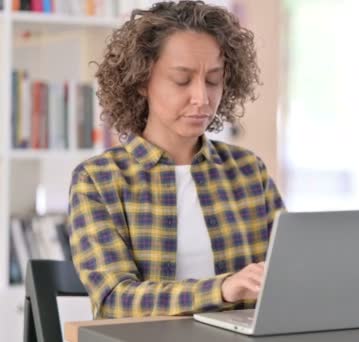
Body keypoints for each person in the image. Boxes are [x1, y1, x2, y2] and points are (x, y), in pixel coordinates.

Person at [68, 0, 284, 319]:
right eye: (182, 80)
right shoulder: (99, 179)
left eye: (213, 80)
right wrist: (224, 289)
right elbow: (115, 298)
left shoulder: (249, 171)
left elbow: (288, 274)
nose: (202, 98)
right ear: (142, 81)